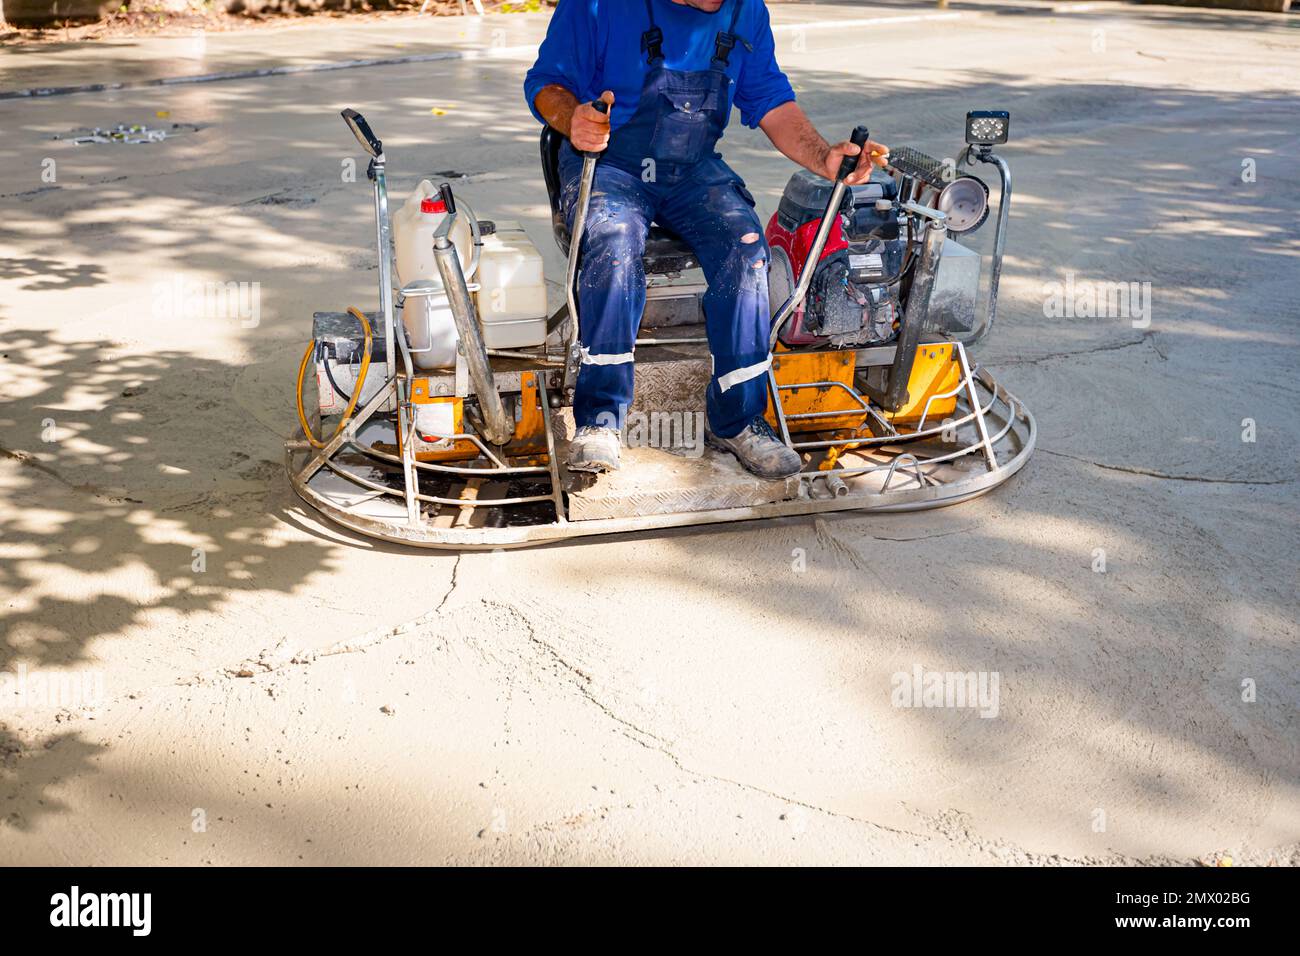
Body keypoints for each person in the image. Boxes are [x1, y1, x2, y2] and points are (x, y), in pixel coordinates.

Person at [525, 0, 888, 477]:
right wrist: (573, 118)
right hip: (609, 163)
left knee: (746, 250)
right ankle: (600, 419)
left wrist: (824, 157)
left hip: (691, 168)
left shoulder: (744, 11)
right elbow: (546, 85)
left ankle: (738, 420)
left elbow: (772, 101)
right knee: (614, 244)